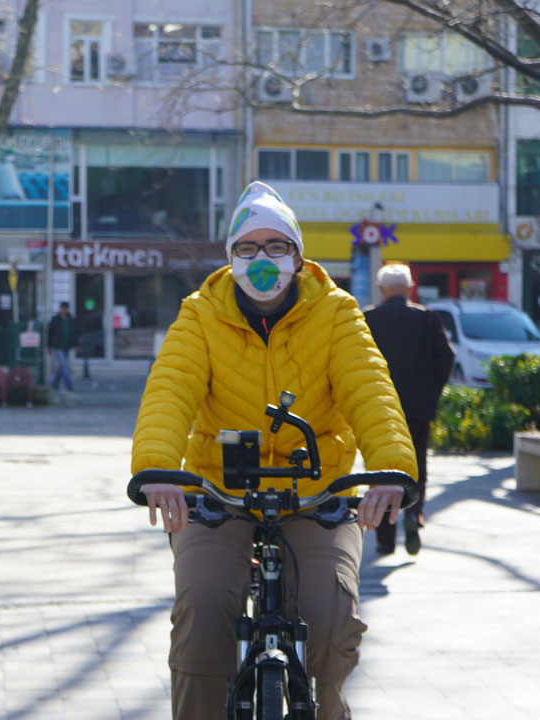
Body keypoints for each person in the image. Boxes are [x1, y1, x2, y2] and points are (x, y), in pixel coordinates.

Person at [132, 181, 418, 720]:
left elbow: (369, 388)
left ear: (298, 256)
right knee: (203, 613)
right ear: (231, 257)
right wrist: (155, 468)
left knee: (332, 619)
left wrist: (392, 469)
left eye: (277, 246)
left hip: (316, 495)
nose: (262, 259)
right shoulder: (201, 314)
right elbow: (170, 388)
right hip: (218, 496)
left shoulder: (336, 313)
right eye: (247, 248)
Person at [363, 263, 455, 555]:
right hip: (418, 408)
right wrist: (431, 391)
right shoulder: (427, 318)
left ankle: (385, 540)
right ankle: (414, 513)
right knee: (417, 468)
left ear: (381, 290)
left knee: (382, 471)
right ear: (410, 288)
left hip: (379, 409)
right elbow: (446, 357)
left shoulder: (368, 318)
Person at [46, 301, 79, 391]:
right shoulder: (55, 319)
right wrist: (48, 346)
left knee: (61, 366)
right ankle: (69, 384)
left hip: (67, 346)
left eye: (65, 309)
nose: (63, 310)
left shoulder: (71, 319)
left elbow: (74, 333)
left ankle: (55, 383)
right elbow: (50, 333)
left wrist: (76, 344)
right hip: (57, 346)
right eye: (62, 308)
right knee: (64, 365)